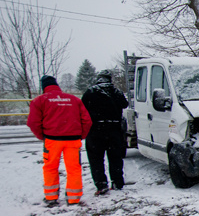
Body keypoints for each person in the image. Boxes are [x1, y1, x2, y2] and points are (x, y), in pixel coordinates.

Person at [27, 75, 92, 206]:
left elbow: (33, 122)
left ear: (43, 87)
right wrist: (81, 135)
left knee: (50, 167)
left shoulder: (39, 101)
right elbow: (87, 121)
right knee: (74, 168)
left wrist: (42, 136)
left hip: (52, 140)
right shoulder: (74, 100)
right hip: (73, 140)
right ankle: (73, 198)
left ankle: (51, 197)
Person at [81, 69, 129, 195]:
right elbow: (125, 104)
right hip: (114, 130)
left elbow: (82, 108)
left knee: (96, 159)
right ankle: (117, 182)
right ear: (110, 79)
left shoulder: (90, 92)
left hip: (96, 131)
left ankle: (101, 184)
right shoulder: (117, 92)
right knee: (115, 158)